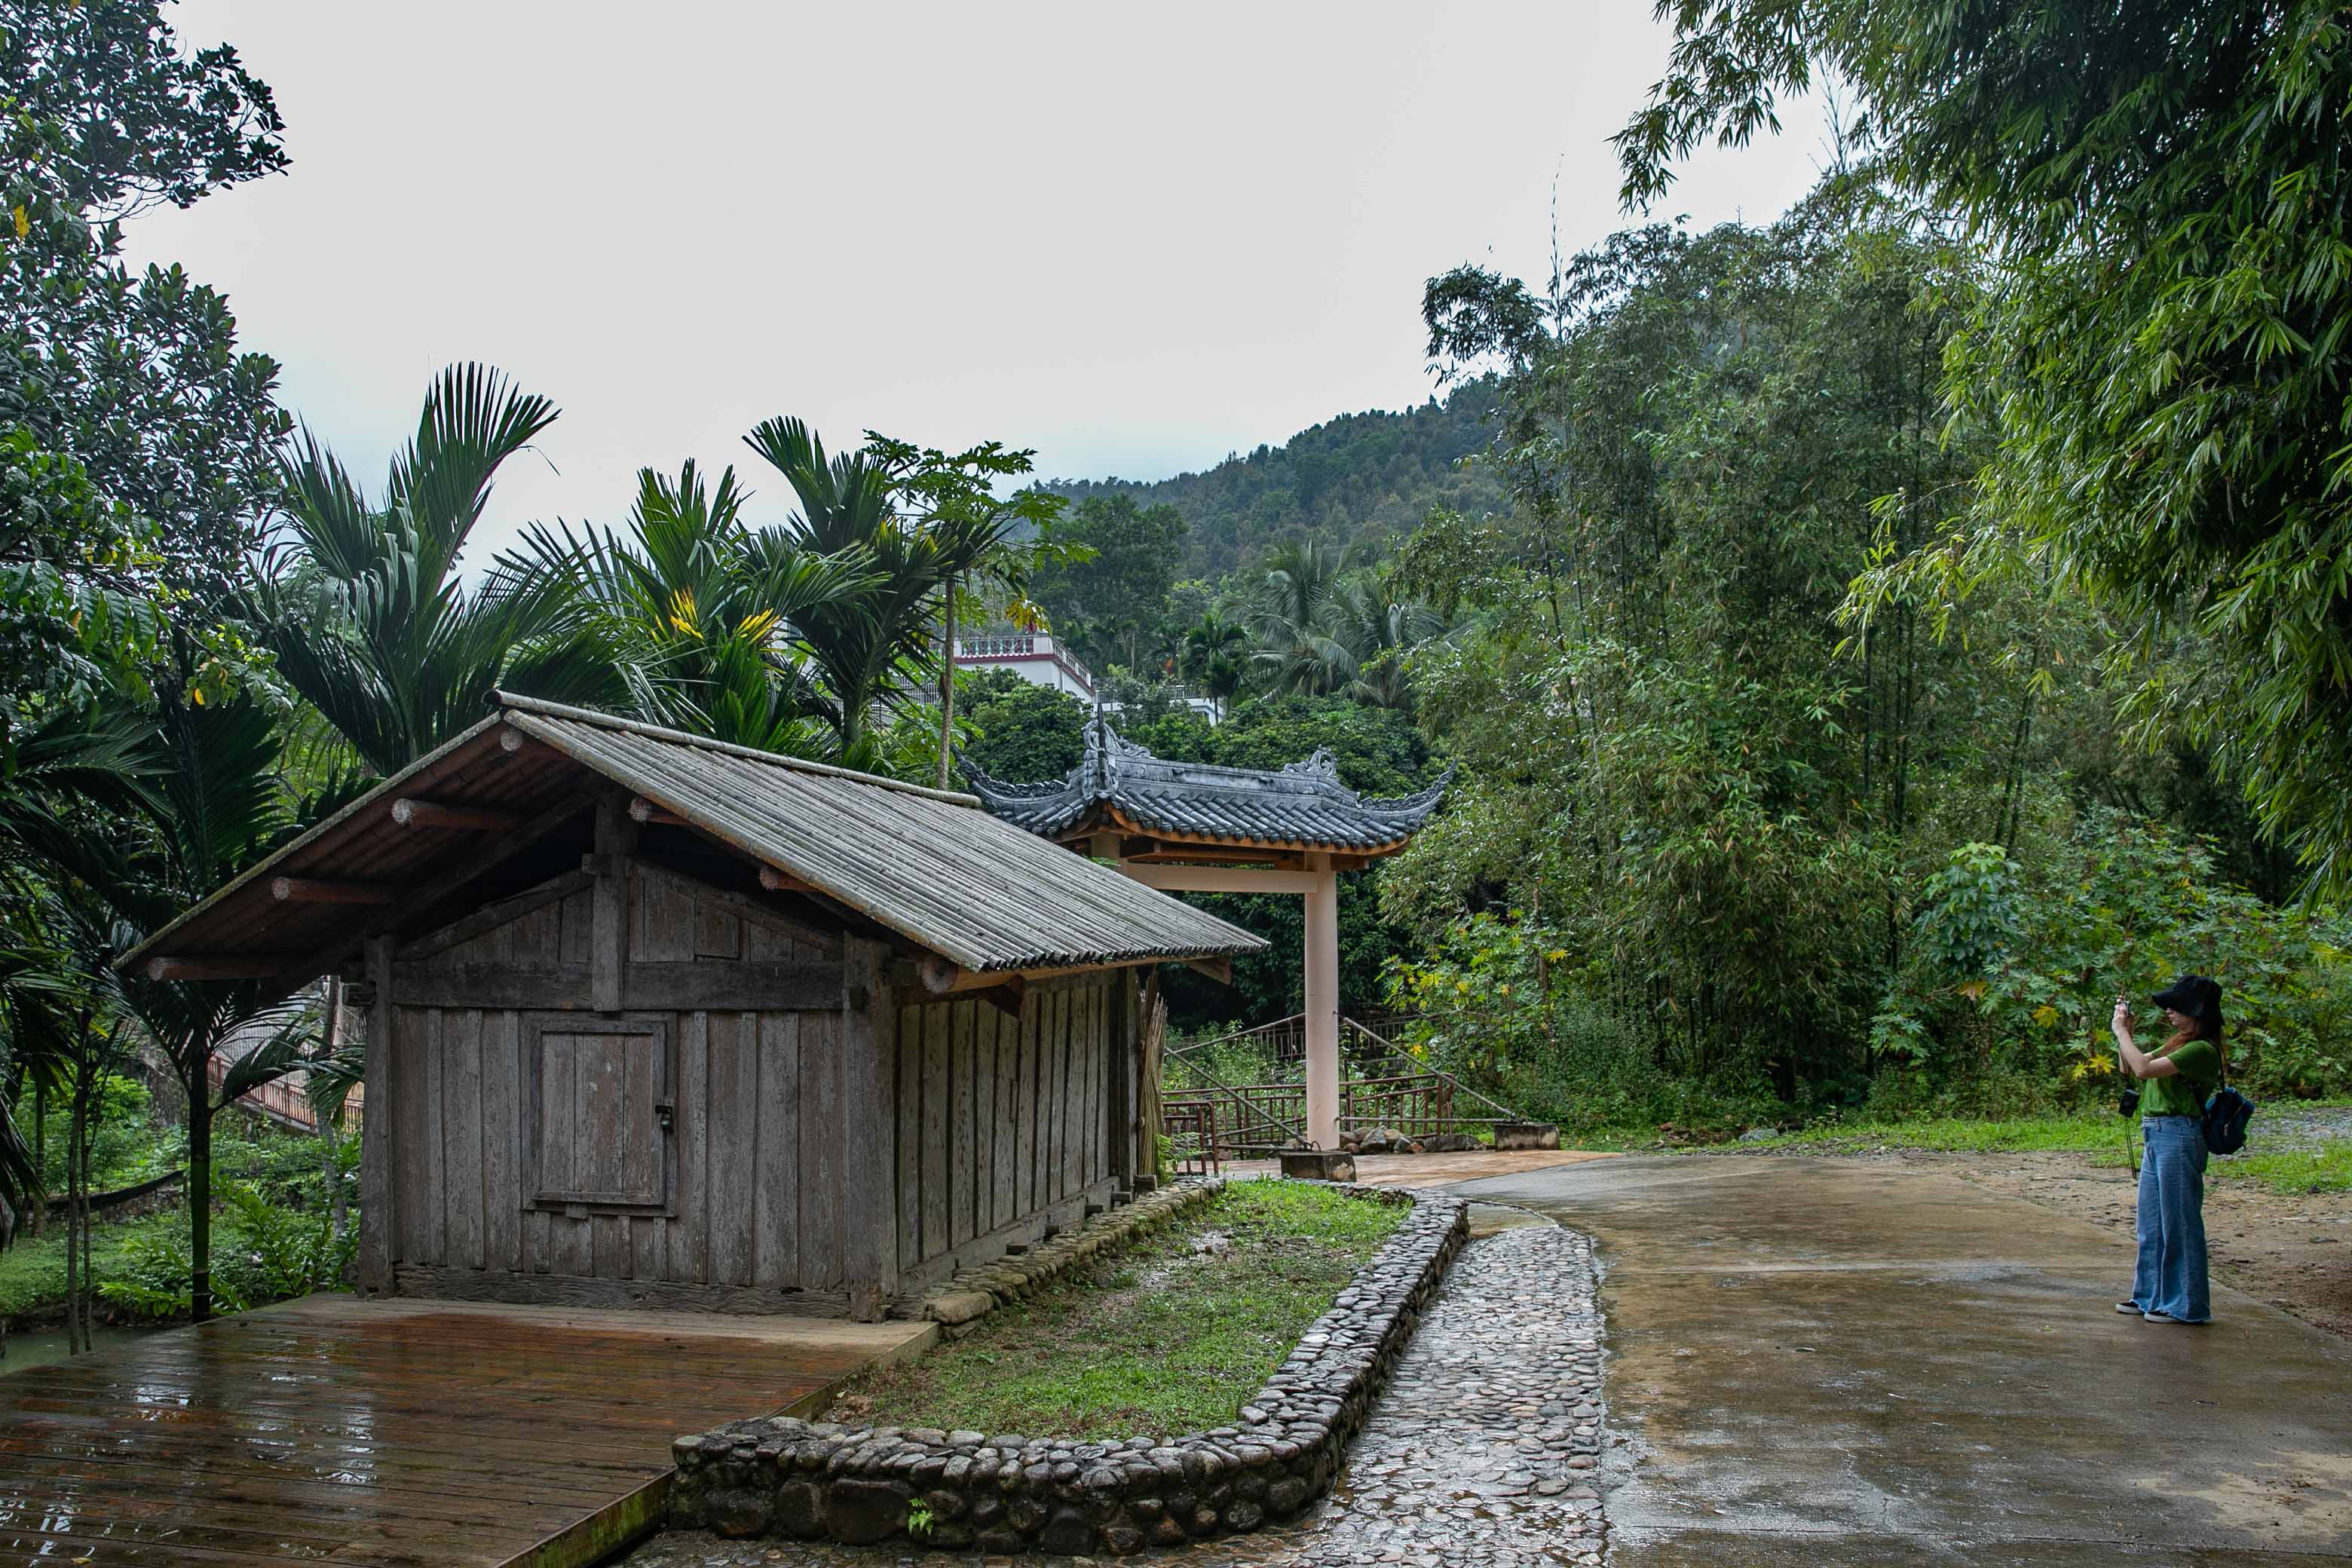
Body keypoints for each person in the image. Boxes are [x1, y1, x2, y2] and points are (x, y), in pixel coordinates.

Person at [2110, 974, 2225, 1325]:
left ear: (2199, 1012)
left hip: (2178, 1134)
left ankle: (2186, 1305)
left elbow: (2143, 1069)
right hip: (2157, 1134)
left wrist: (2121, 1033)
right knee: (2152, 1224)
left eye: (2178, 1007)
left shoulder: (2202, 1049)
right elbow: (2129, 1065)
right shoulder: (2178, 1043)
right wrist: (2124, 1032)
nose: (2170, 1012)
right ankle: (2150, 1295)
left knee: (2180, 1222)